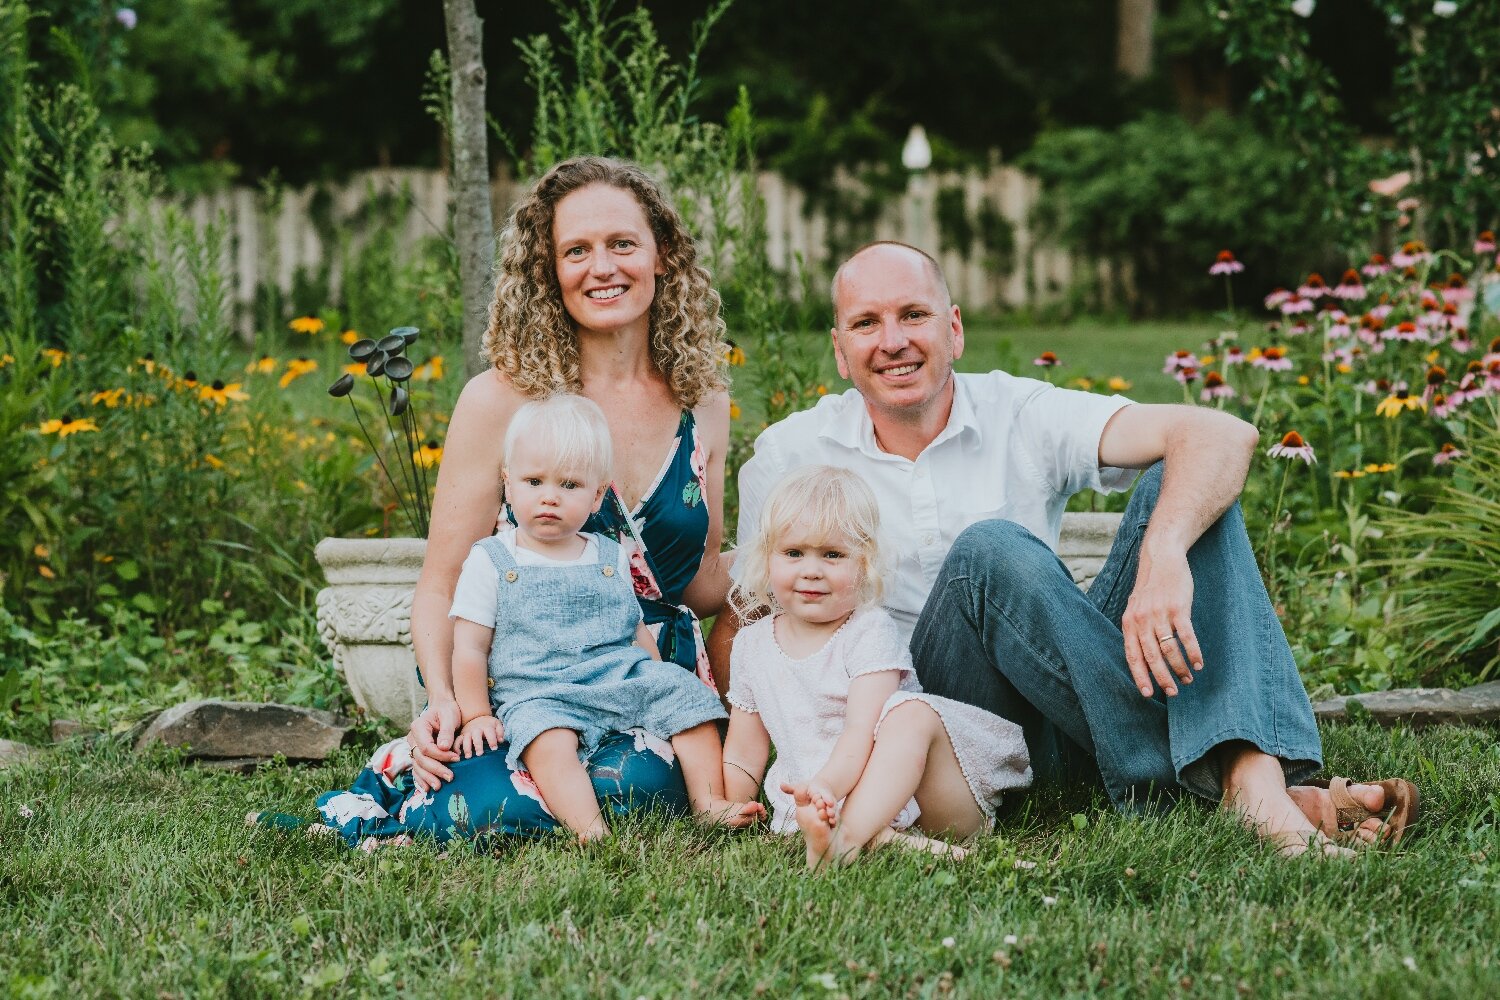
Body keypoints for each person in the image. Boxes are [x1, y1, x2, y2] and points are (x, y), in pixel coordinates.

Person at [714, 240, 1418, 857]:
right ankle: (1252, 781)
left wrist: (1163, 555)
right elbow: (752, 618)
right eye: (866, 323)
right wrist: (732, 772)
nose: (891, 339)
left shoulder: (1016, 411)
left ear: (953, 330)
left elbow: (1222, 433)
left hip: (1062, 708)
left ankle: (1251, 781)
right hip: (930, 736)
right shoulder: (792, 452)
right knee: (989, 554)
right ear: (840, 351)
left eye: (913, 315)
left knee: (1184, 486)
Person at [350, 155, 736, 837]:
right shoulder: (501, 401)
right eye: (576, 251)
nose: (602, 267)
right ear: (548, 271)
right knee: (474, 805)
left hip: (643, 678)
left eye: (623, 244)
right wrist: (446, 701)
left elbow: (699, 582)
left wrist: (779, 583)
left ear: (664, 254)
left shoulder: (701, 401)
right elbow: (442, 585)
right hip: (527, 686)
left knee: (646, 782)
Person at [448, 394, 760, 840]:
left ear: (597, 496)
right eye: (534, 482)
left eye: (569, 486)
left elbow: (632, 628)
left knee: (685, 697)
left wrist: (653, 678)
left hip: (616, 676)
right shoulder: (494, 559)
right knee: (547, 741)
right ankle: (590, 829)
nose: (549, 498)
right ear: (508, 484)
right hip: (539, 690)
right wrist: (477, 713)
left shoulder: (608, 555)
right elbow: (470, 646)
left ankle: (708, 801)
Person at [721, 466, 1030, 869]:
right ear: (766, 558)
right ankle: (877, 839)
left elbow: (860, 732)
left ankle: (844, 843)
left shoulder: (868, 631)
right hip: (818, 805)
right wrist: (732, 804)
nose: (811, 570)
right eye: (794, 553)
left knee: (910, 714)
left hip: (922, 796)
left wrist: (826, 788)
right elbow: (745, 747)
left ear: (864, 564)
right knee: (838, 808)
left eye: (833, 555)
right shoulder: (751, 644)